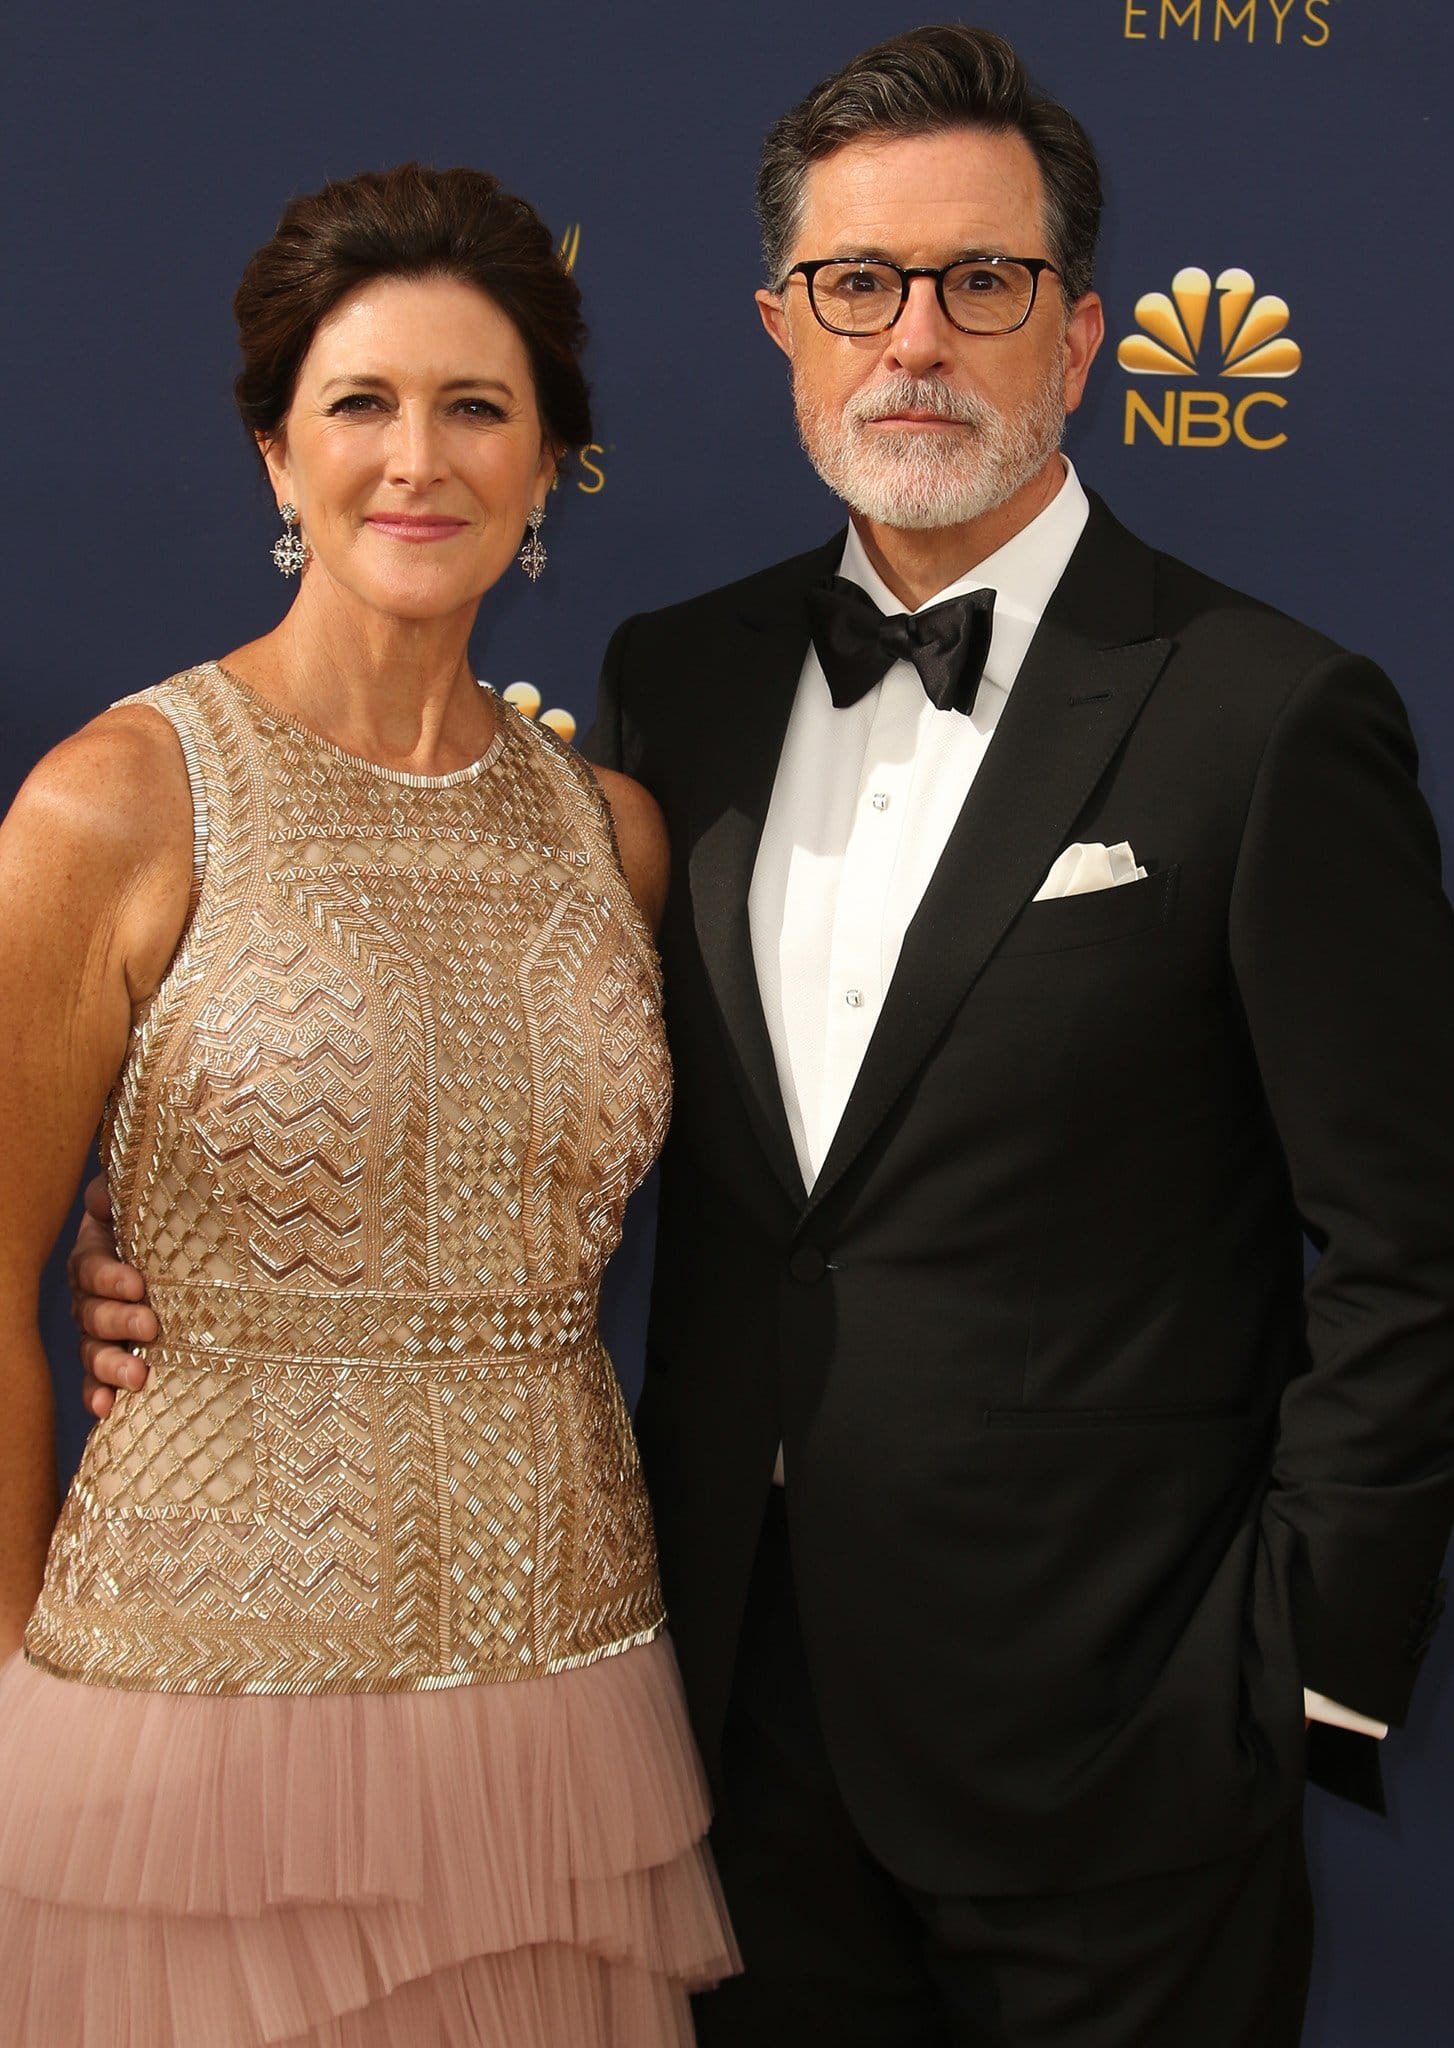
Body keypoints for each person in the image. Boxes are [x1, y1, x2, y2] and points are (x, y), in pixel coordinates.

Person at [71, 26, 1454, 2048]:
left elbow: (1413, 1238)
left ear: (1078, 337)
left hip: (1123, 1759)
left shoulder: (1266, 715)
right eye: (856, 286)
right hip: (703, 1742)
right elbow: (523, 1091)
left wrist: (1303, 1672)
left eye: (980, 283)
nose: (915, 340)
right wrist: (211, 1260)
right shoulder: (675, 689)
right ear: (782, 326)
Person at [1, 161, 736, 2045]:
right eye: (361, 403)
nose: (419, 459)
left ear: (550, 460)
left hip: (562, 1687)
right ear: (274, 455)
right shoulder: (116, 802)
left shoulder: (614, 837)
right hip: (189, 1715)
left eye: (477, 406)